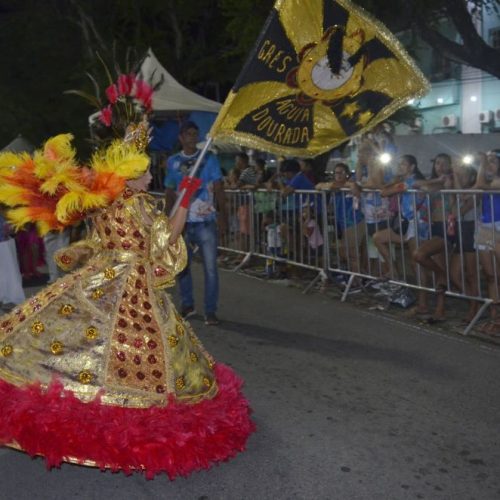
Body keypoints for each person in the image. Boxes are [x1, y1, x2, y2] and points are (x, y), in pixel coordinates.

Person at [0, 132, 254, 478]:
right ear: (129, 175)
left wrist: (78, 253)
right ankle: (124, 421)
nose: (150, 177)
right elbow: (165, 240)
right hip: (132, 283)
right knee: (142, 349)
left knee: (71, 334)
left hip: (98, 275)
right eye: (145, 172)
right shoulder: (139, 203)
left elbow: (94, 242)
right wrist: (187, 196)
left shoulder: (105, 201)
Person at [164, 121, 228, 326]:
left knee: (210, 268)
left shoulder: (209, 159)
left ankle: (210, 310)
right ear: (181, 137)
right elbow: (169, 191)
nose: (193, 137)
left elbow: (218, 187)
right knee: (183, 266)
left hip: (205, 221)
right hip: (182, 222)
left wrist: (223, 215)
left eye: (195, 134)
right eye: (188, 134)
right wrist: (168, 221)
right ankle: (187, 305)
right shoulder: (173, 162)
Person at [0, 209, 25, 308]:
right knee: (8, 272)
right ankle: (7, 296)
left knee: (8, 272)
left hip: (5, 244)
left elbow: (8, 228)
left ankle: (8, 296)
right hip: (3, 245)